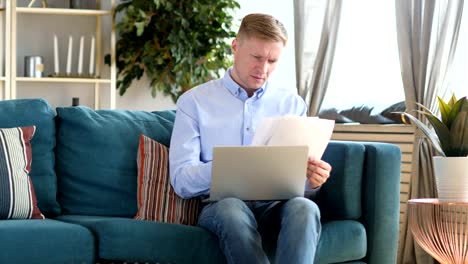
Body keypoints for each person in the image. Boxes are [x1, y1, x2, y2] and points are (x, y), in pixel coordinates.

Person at [169, 13, 332, 264]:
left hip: (276, 204)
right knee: (231, 209)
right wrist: (230, 166)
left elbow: (301, 187)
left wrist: (312, 181)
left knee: (305, 208)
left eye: (272, 61)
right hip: (221, 206)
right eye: (256, 57)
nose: (263, 69)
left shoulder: (292, 104)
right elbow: (181, 181)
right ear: (235, 46)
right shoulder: (194, 102)